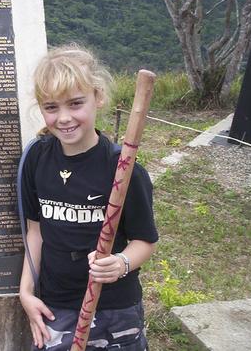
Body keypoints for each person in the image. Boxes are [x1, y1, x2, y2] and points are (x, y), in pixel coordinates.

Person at [19, 44, 158, 351]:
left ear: (98, 97)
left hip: (115, 309)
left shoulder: (123, 170)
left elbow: (145, 241)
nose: (64, 118)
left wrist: (121, 263)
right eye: (51, 107)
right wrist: (26, 292)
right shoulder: (36, 160)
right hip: (56, 305)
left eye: (76, 104)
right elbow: (35, 230)